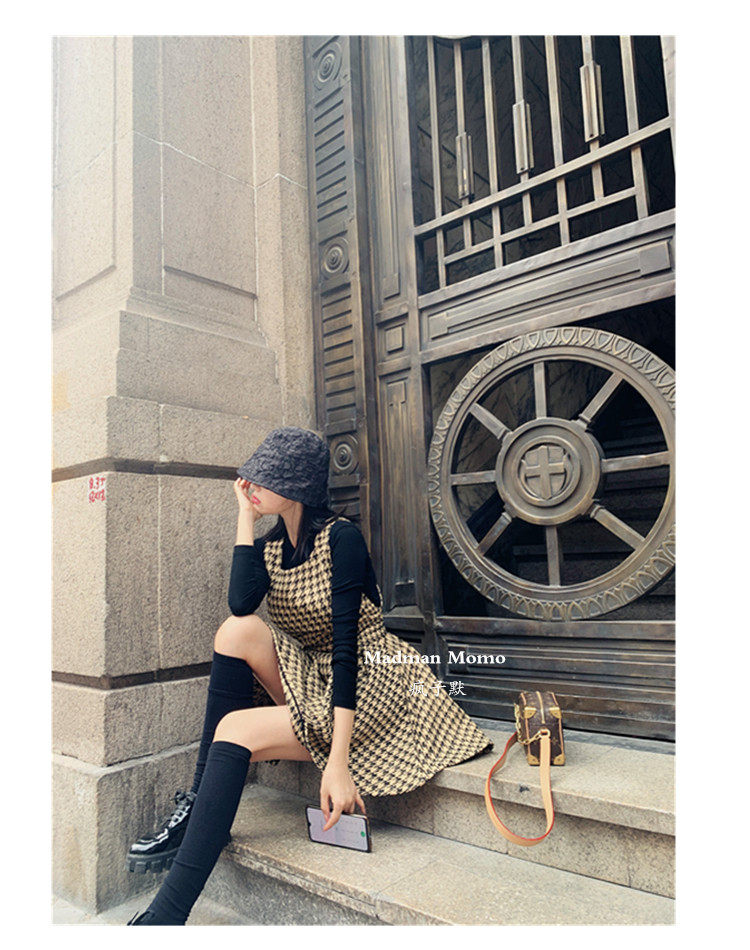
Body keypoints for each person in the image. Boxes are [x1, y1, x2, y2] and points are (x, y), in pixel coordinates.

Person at [126, 426, 493, 925]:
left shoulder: (342, 538)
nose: (250, 485)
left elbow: (346, 651)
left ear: (295, 485)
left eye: (263, 479)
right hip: (311, 673)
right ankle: (198, 807)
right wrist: (245, 516)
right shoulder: (271, 547)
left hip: (369, 677)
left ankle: (163, 920)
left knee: (234, 728)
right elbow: (240, 603)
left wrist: (336, 764)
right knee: (236, 631)